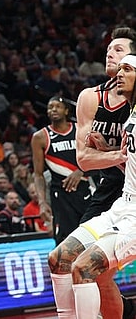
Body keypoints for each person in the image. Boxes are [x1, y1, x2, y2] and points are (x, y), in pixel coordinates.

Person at [48, 28, 136, 319]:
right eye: (109, 50)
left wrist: (111, 153)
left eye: (122, 55)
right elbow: (84, 160)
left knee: (88, 270)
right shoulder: (94, 97)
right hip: (115, 193)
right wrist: (117, 153)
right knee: (61, 259)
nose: (111, 55)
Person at [69, 54, 136, 319]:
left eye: (127, 69)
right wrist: (109, 150)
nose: (119, 73)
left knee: (84, 268)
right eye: (118, 69)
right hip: (124, 203)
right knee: (92, 271)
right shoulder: (131, 112)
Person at [31, 96, 89, 244]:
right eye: (50, 107)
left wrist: (80, 170)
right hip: (60, 194)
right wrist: (42, 203)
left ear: (66, 110)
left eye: (58, 106)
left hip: (85, 189)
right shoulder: (40, 137)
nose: (53, 110)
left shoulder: (79, 130)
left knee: (90, 236)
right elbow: (38, 174)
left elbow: (94, 157)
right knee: (65, 241)